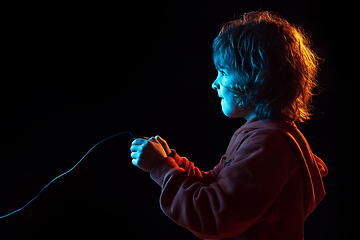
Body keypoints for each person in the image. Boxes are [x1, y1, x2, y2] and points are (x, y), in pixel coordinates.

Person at [130, 11, 328, 240]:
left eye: (223, 72)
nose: (214, 83)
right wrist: (173, 162)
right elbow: (216, 185)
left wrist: (162, 168)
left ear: (255, 77)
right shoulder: (261, 136)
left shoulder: (268, 145)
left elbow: (213, 216)